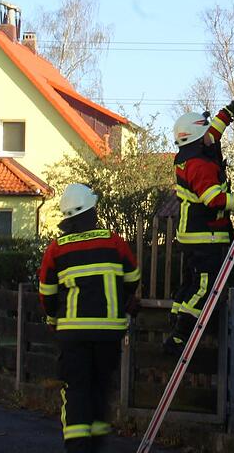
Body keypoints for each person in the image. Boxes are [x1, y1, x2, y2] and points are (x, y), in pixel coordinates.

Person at [39, 183, 140, 453]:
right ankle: (95, 447)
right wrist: (122, 299)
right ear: (93, 211)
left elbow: (47, 293)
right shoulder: (114, 241)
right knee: (99, 388)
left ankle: (77, 448)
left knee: (75, 390)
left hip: (73, 333)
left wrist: (52, 318)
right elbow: (133, 278)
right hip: (109, 331)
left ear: (67, 218)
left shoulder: (57, 249)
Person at [165, 102, 234, 354]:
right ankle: (179, 337)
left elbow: (213, 133)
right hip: (205, 237)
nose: (212, 136)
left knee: (189, 284)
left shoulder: (190, 154)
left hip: (193, 236)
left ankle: (175, 320)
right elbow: (214, 199)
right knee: (203, 288)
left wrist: (232, 110)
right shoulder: (200, 164)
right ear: (199, 138)